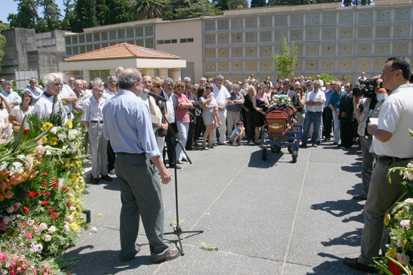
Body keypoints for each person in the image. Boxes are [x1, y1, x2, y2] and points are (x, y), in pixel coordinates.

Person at [344, 57, 413, 273]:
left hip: (389, 165)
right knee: (398, 214)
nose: (381, 78)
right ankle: (393, 257)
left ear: (398, 74)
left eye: (385, 73)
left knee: (374, 212)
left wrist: (372, 128)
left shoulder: (394, 100)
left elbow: (384, 134)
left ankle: (368, 259)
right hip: (407, 164)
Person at [102, 68, 178, 263]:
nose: (144, 86)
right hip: (137, 161)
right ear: (136, 83)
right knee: (152, 205)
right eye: (142, 83)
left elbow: (108, 136)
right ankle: (159, 249)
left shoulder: (109, 104)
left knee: (129, 206)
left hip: (120, 160)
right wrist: (162, 169)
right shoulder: (136, 104)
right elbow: (149, 143)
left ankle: (127, 249)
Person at [83, 78, 111, 184]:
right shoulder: (88, 102)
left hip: (104, 125)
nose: (99, 92)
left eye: (101, 90)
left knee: (104, 151)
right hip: (94, 125)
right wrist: (90, 129)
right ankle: (95, 174)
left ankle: (104, 172)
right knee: (95, 152)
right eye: (97, 90)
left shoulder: (106, 100)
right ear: (93, 90)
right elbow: (85, 119)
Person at [301, 80, 326, 148]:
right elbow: (306, 102)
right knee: (306, 128)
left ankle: (314, 142)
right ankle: (304, 142)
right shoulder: (309, 93)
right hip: (309, 112)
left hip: (318, 113)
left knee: (316, 129)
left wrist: (312, 102)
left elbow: (321, 102)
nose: (315, 87)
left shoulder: (322, 93)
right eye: (314, 85)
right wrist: (316, 102)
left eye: (317, 85)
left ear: (319, 86)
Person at [174, 81, 193, 163]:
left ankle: (182, 155)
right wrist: (187, 104)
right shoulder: (175, 96)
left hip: (186, 118)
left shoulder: (184, 96)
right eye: (179, 87)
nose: (180, 88)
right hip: (179, 119)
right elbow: (179, 106)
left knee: (184, 138)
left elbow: (191, 105)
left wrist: (185, 104)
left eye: (182, 87)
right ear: (176, 88)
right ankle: (177, 157)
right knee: (183, 137)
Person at [212, 75, 230, 145]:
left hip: (223, 109)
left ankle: (222, 140)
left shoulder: (224, 88)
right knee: (213, 125)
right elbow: (210, 97)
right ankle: (213, 140)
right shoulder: (212, 87)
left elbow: (227, 98)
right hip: (214, 109)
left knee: (223, 125)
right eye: (218, 80)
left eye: (221, 80)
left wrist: (224, 105)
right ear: (215, 80)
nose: (220, 81)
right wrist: (217, 106)